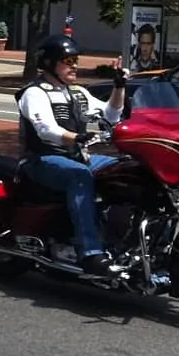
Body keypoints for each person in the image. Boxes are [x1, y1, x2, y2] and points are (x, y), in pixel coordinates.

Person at [16, 34, 127, 277]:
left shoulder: (77, 92)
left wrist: (119, 86)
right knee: (80, 176)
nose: (74, 65)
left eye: (75, 60)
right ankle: (90, 252)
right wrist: (75, 137)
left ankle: (121, 238)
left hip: (78, 157)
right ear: (48, 63)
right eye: (67, 60)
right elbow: (45, 129)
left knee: (125, 169)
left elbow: (110, 116)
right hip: (41, 160)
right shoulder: (34, 93)